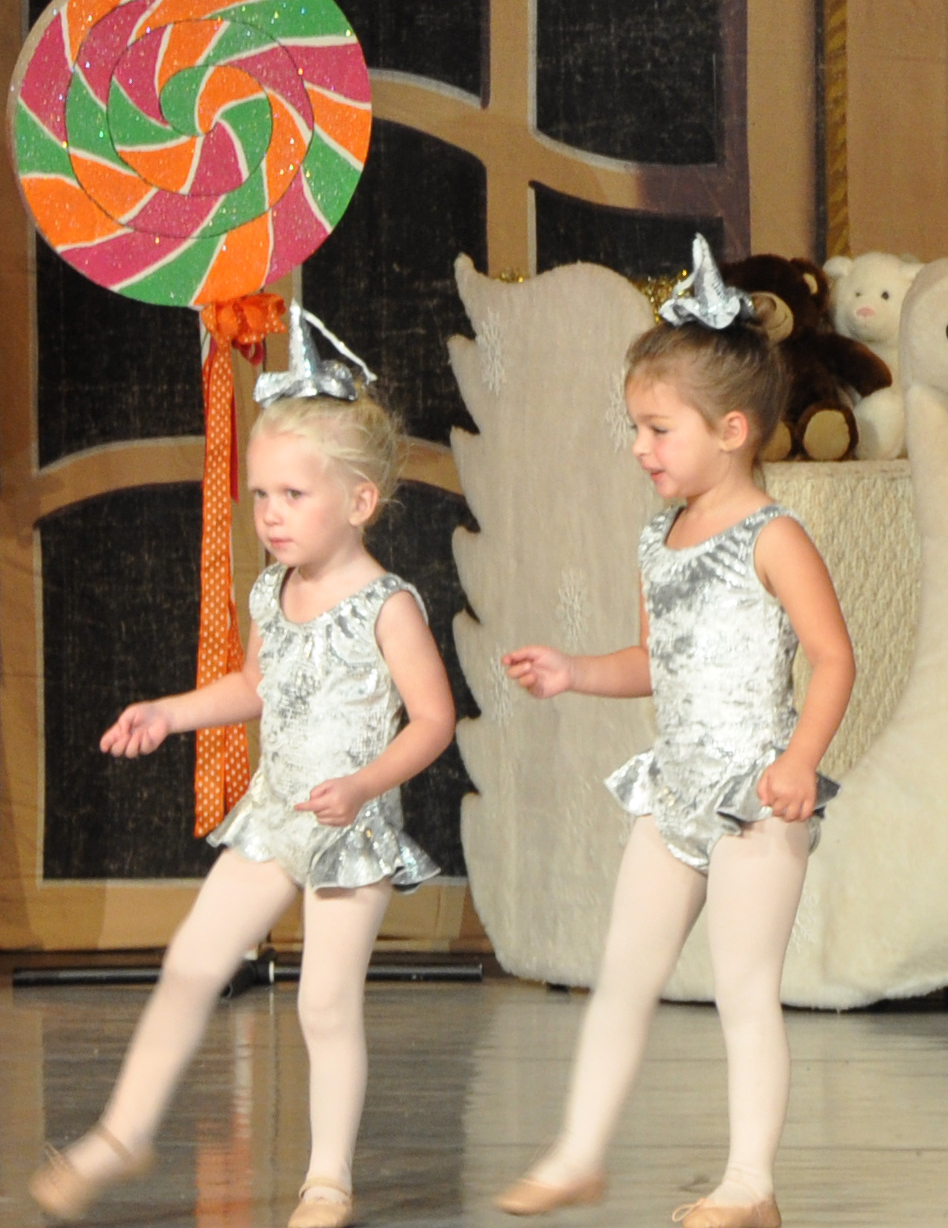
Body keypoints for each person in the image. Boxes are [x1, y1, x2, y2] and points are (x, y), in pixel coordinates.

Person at [29, 333, 456, 1228]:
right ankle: (123, 1130)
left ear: (360, 500)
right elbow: (257, 687)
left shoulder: (389, 605)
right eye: (261, 494)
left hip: (349, 829)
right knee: (191, 961)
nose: (271, 514)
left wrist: (365, 784)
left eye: (294, 495)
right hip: (273, 816)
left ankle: (327, 1179)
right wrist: (171, 712)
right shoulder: (273, 590)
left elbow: (434, 721)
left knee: (324, 1003)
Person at [495, 238, 856, 1228]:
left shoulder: (774, 538)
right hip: (675, 788)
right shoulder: (658, 537)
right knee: (626, 972)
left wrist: (798, 761)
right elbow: (655, 662)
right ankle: (577, 1151)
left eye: (658, 428)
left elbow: (833, 659)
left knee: (744, 987)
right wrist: (576, 671)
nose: (641, 447)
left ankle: (751, 1184)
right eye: (635, 427)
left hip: (755, 796)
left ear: (732, 429)